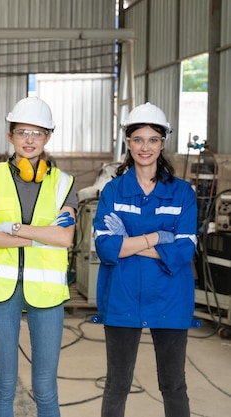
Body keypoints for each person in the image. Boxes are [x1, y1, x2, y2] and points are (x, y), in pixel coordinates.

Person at [0, 96, 77, 417]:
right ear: (10, 136)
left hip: (47, 294)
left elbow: (65, 237)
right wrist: (38, 237)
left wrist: (14, 228)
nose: (29, 140)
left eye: (38, 132)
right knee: (4, 384)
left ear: (48, 137)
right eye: (22, 132)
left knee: (45, 387)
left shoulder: (62, 183)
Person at [92, 102, 198, 417]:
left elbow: (183, 252)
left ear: (163, 142)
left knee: (173, 384)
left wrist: (129, 241)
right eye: (138, 139)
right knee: (117, 384)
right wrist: (158, 237)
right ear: (128, 142)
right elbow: (106, 248)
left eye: (153, 140)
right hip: (123, 298)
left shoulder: (182, 194)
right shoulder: (113, 191)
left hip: (170, 299)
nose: (145, 147)